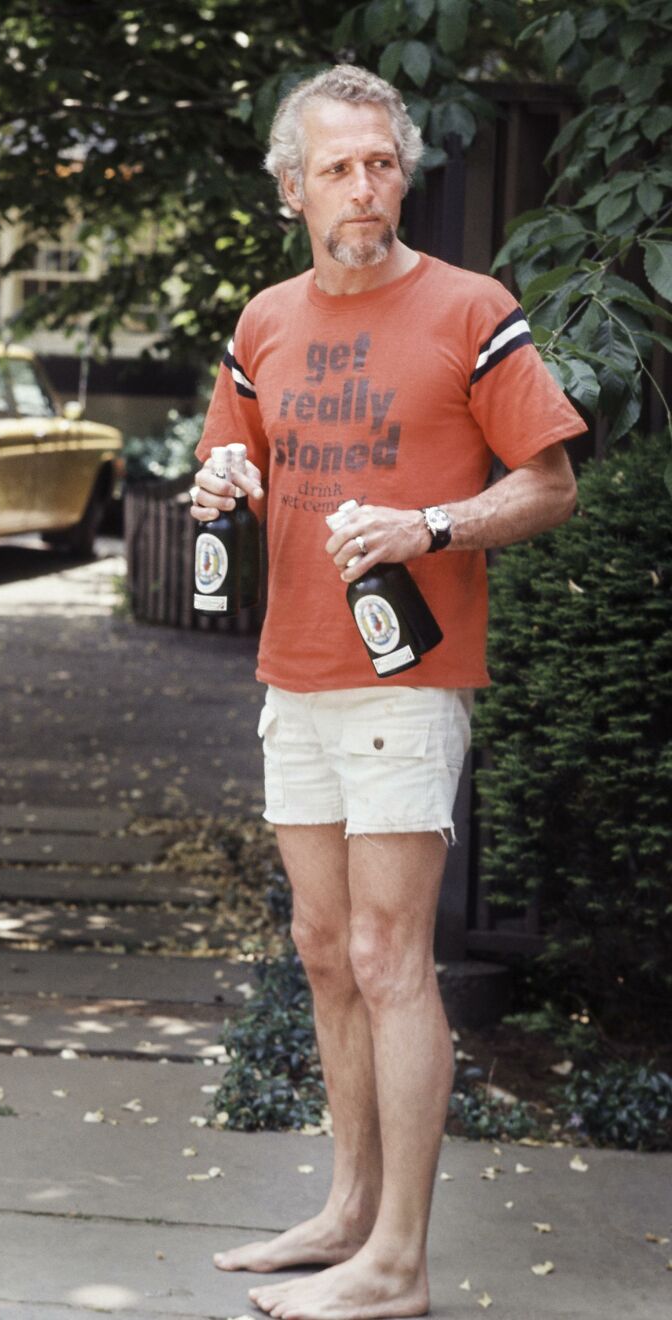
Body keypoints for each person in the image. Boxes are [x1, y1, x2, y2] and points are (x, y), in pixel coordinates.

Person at [190, 64, 583, 1320]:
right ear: (290, 188)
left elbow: (550, 485)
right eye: (337, 167)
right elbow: (229, 463)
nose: (363, 185)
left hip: (408, 679)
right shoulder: (263, 322)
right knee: (321, 951)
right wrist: (219, 487)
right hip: (292, 667)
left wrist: (430, 525)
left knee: (385, 954)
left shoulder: (470, 308)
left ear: (401, 174)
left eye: (380, 162)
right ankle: (348, 1213)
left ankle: (400, 1264)